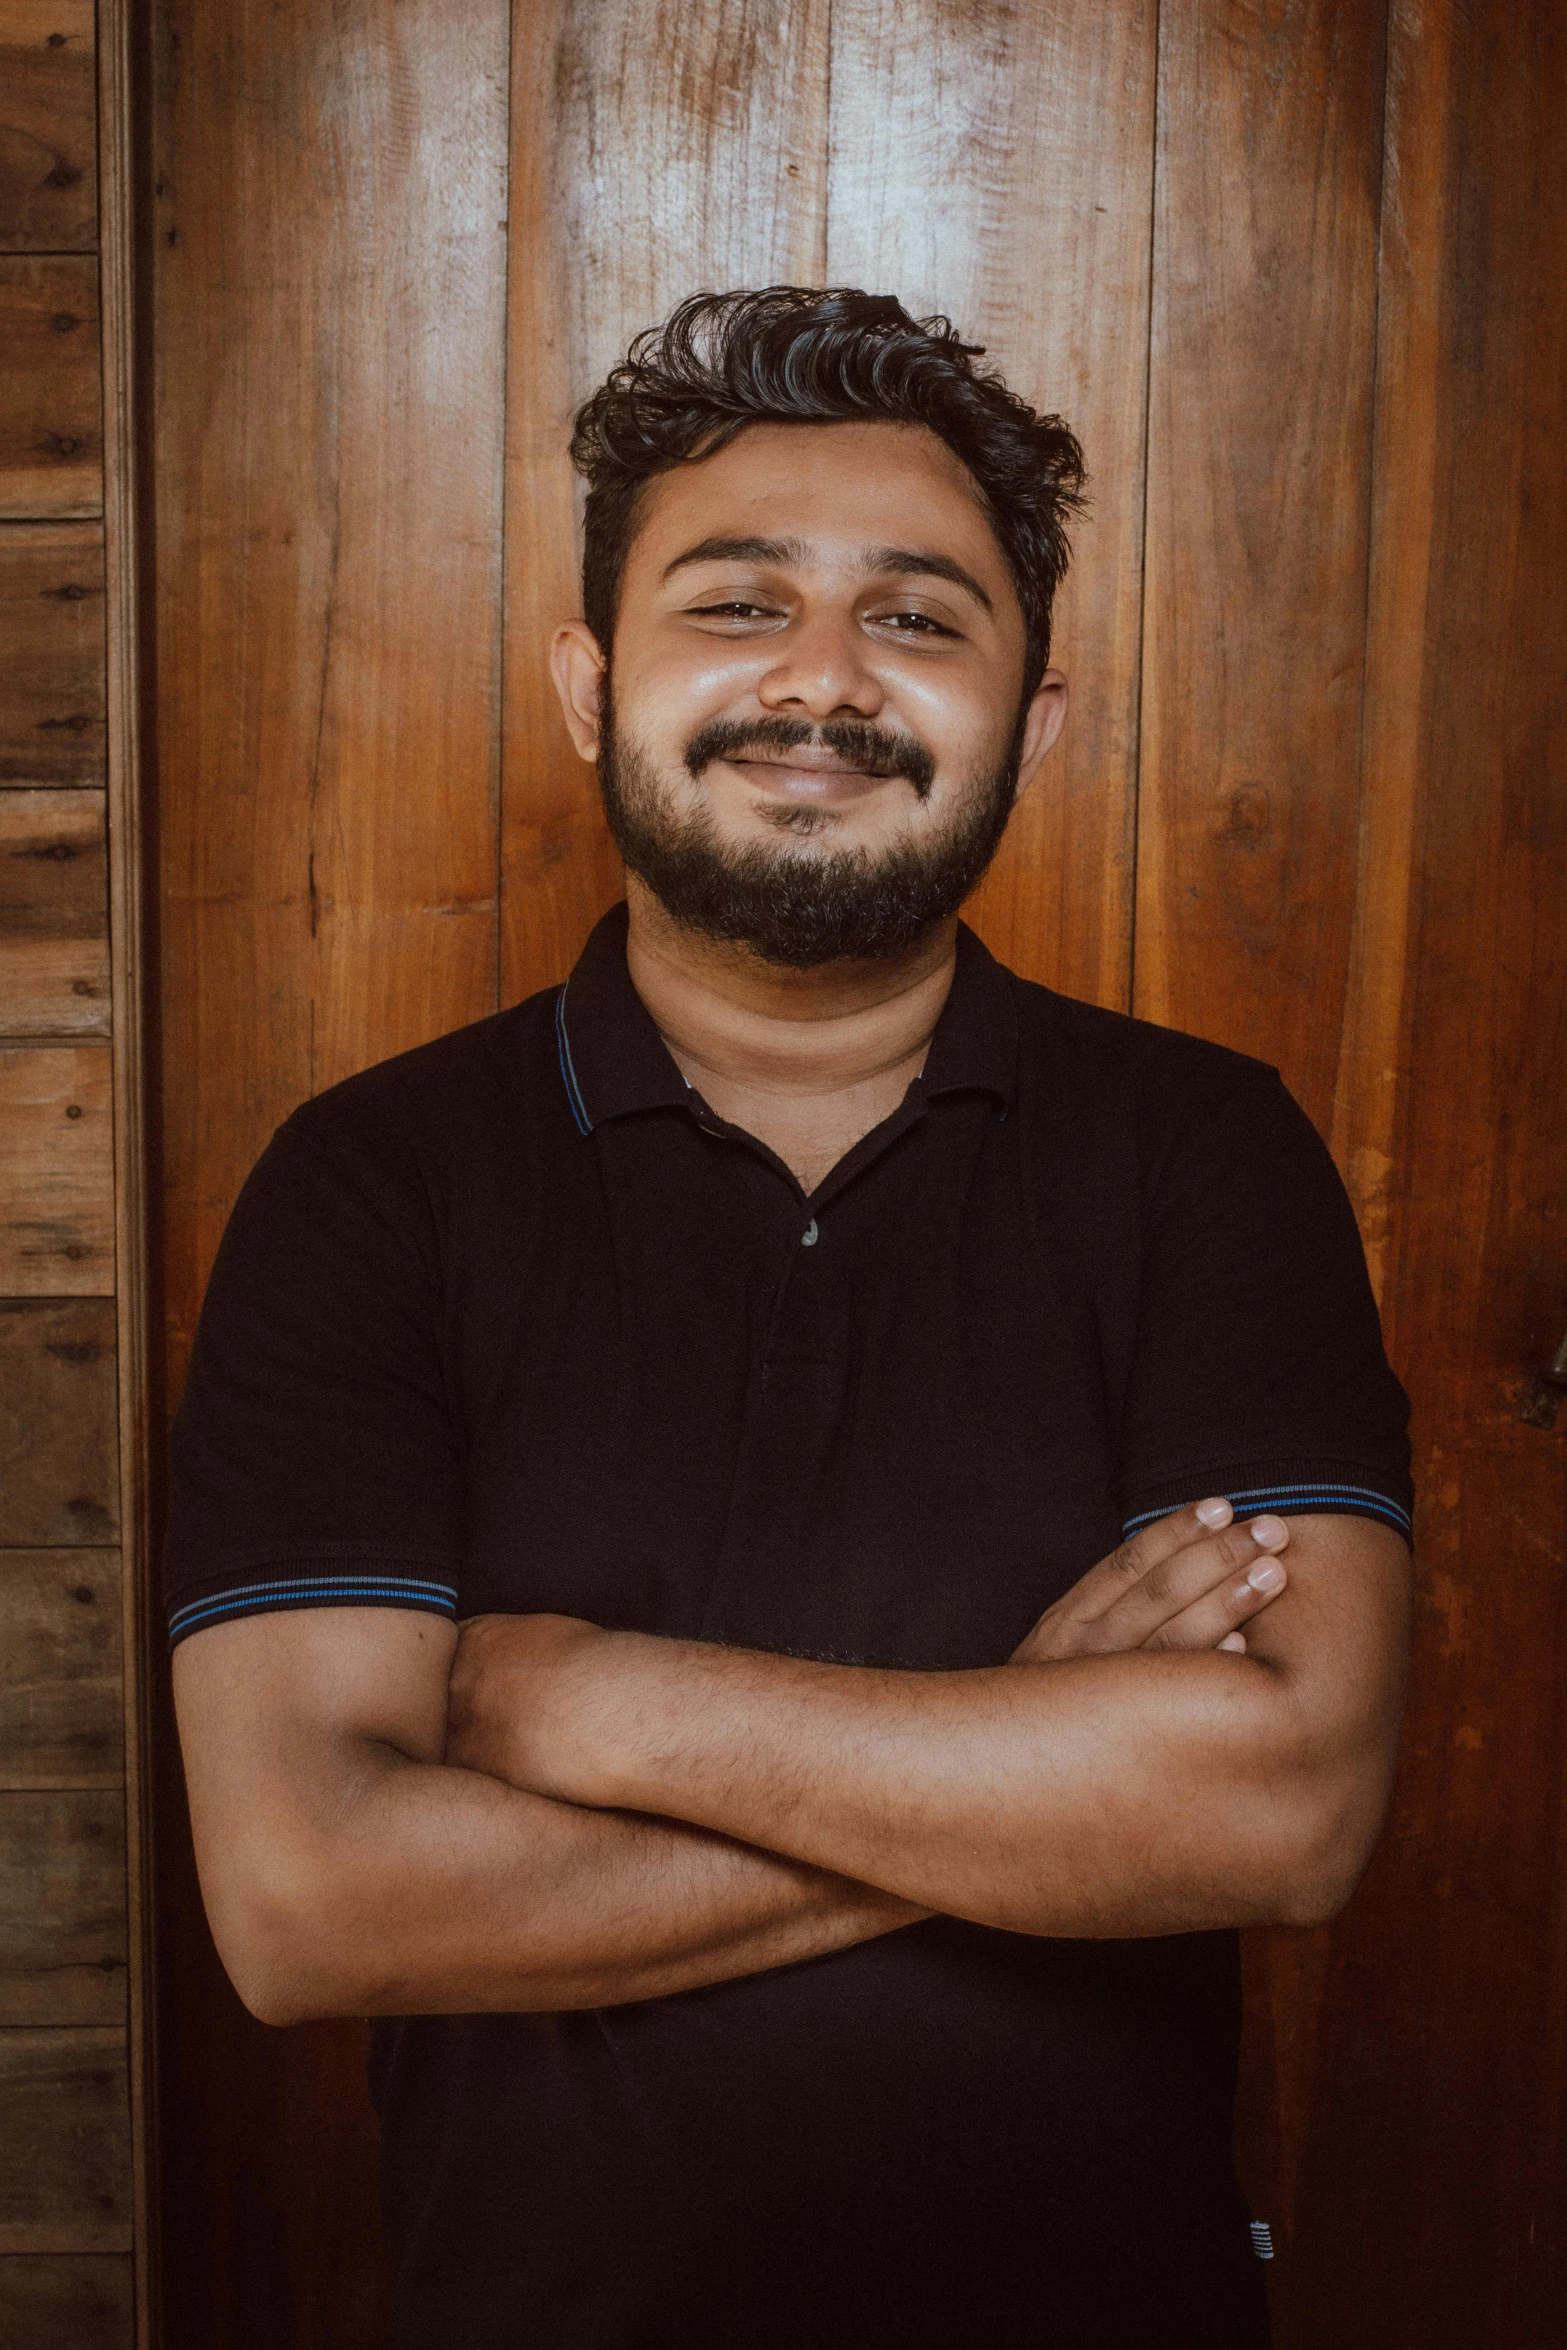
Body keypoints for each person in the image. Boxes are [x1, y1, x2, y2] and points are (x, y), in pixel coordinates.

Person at [167, 287, 1413, 2349]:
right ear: (592, 685)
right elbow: (309, 1901)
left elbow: (1287, 1807)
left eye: (919, 619)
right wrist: (1034, 1765)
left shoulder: (1205, 1153)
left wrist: (589, 1700)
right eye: (735, 604)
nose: (822, 680)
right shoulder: (378, 1179)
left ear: (1041, 718)